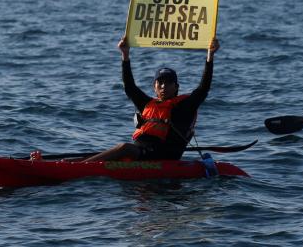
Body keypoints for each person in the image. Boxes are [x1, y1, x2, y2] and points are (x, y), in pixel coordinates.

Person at [82, 36, 220, 162]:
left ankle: (81, 167)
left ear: (176, 87)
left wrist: (210, 56)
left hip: (162, 157)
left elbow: (203, 88)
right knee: (110, 153)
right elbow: (130, 87)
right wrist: (125, 54)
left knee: (124, 148)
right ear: (154, 87)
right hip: (141, 153)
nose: (163, 86)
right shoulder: (148, 104)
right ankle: (76, 164)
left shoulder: (185, 107)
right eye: (160, 83)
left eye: (168, 82)